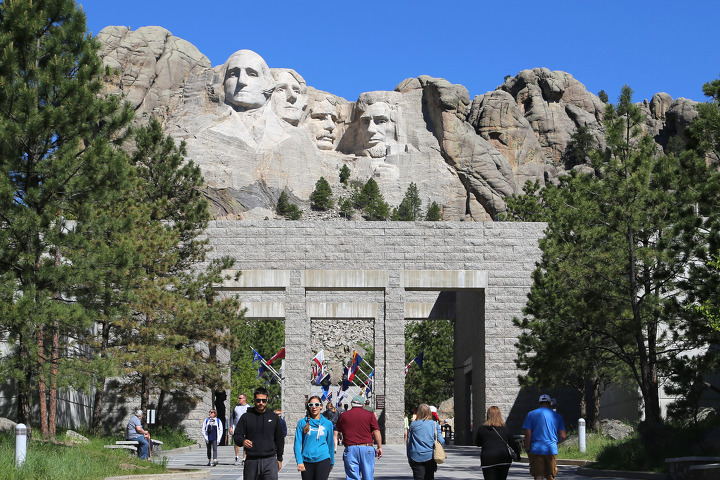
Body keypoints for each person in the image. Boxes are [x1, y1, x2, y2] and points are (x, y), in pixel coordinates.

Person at [233, 387, 284, 480]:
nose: (261, 403)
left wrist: (279, 459)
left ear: (267, 400)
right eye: (258, 400)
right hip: (251, 461)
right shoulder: (246, 417)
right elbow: (236, 435)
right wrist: (243, 441)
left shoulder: (274, 417)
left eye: (264, 400)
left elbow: (279, 439)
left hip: (270, 461)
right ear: (254, 400)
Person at [334, 395, 382, 480]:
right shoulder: (370, 415)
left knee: (352, 477)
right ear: (363, 405)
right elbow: (376, 431)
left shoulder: (343, 415)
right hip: (367, 447)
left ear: (351, 404)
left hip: (351, 449)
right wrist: (379, 447)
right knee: (368, 476)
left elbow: (339, 429)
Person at [523, 394, 566, 480]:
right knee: (550, 476)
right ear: (549, 403)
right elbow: (563, 436)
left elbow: (528, 434)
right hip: (551, 449)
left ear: (539, 403)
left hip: (536, 449)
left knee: (538, 475)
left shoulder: (531, 414)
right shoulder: (557, 416)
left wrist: (527, 448)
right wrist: (556, 443)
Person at [294, 395, 335, 480]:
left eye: (316, 404)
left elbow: (330, 443)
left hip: (323, 459)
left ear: (321, 406)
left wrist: (332, 462)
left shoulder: (328, 424)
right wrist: (299, 461)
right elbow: (297, 444)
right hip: (306, 461)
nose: (314, 407)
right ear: (308, 407)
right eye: (311, 405)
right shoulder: (302, 423)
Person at [475, 406, 521, 480]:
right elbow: (513, 443)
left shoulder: (482, 429)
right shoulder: (505, 429)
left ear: (488, 415)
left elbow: (478, 443)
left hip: (488, 460)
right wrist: (518, 456)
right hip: (503, 459)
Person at [406, 404, 444, 480]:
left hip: (415, 456)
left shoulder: (413, 424)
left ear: (418, 412)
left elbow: (409, 442)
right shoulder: (434, 424)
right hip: (430, 456)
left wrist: (409, 457)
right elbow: (441, 441)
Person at [231, 393, 250, 466]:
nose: (238, 399)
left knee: (245, 442)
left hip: (246, 427)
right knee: (236, 442)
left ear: (244, 399)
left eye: (240, 398)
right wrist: (231, 426)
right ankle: (236, 456)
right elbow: (232, 417)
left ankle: (244, 458)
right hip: (237, 427)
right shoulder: (236, 407)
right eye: (239, 398)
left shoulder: (249, 407)